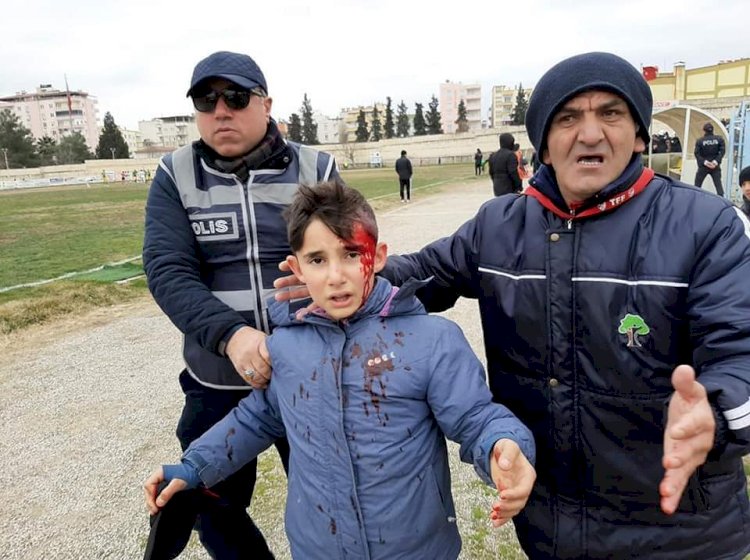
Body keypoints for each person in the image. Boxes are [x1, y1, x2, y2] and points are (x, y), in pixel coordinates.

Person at [375, 52, 750, 559]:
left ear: (639, 135)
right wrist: (343, 266)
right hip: (551, 530)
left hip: (682, 532)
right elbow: (417, 275)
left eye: (611, 114)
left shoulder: (708, 226)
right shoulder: (498, 226)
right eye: (568, 117)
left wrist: (716, 416)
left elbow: (741, 354)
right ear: (545, 145)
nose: (590, 133)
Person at [144, 180, 537, 560]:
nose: (335, 276)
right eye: (317, 260)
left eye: (352, 254)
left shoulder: (433, 341)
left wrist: (503, 445)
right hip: (318, 547)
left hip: (416, 549)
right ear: (296, 268)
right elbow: (257, 419)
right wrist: (194, 466)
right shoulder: (286, 344)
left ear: (378, 256)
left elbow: (474, 417)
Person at [142, 50, 339, 559]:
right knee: (211, 502)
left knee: (329, 502)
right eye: (206, 100)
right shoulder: (174, 173)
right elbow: (168, 270)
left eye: (236, 96)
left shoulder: (317, 168)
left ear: (267, 103)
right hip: (215, 378)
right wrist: (232, 335)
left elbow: (349, 258)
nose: (221, 110)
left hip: (310, 375)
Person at [694, 121, 725, 196]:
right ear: (713, 129)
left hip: (703, 166)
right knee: (719, 187)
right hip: (715, 166)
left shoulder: (700, 141)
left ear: (704, 130)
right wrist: (715, 162)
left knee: (697, 186)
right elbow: (722, 151)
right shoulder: (719, 139)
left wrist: (705, 162)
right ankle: (722, 202)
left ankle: (695, 200)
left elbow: (697, 153)